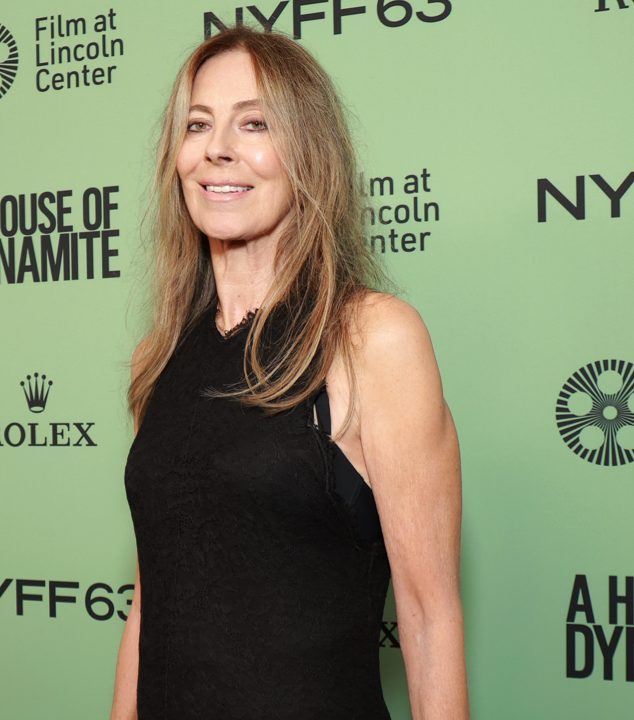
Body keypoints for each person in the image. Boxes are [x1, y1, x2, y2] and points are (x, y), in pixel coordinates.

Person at [111, 27, 468, 720]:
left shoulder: (371, 338)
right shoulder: (159, 357)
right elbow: (150, 606)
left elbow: (429, 617)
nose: (218, 148)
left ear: (308, 152)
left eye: (254, 123)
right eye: (197, 124)